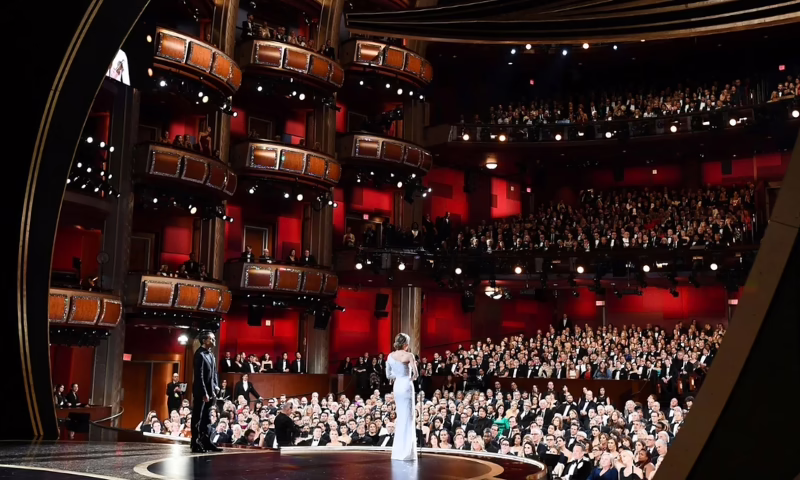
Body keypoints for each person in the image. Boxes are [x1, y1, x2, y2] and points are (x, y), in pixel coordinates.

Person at [386, 333, 419, 461]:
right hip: (406, 385)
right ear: (406, 344)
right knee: (408, 417)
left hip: (398, 385)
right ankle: (407, 452)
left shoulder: (390, 356)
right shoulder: (409, 355)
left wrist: (398, 375)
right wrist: (409, 376)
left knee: (401, 416)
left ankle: (398, 452)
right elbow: (415, 374)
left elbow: (389, 375)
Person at [191, 331, 220, 453]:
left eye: (214, 339)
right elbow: (199, 376)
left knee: (207, 418)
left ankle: (206, 441)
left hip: (210, 391)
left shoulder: (211, 355)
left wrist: (216, 386)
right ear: (204, 340)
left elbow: (214, 373)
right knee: (197, 417)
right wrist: (204, 393)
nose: (214, 341)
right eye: (211, 339)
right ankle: (195, 442)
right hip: (201, 391)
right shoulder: (199, 354)